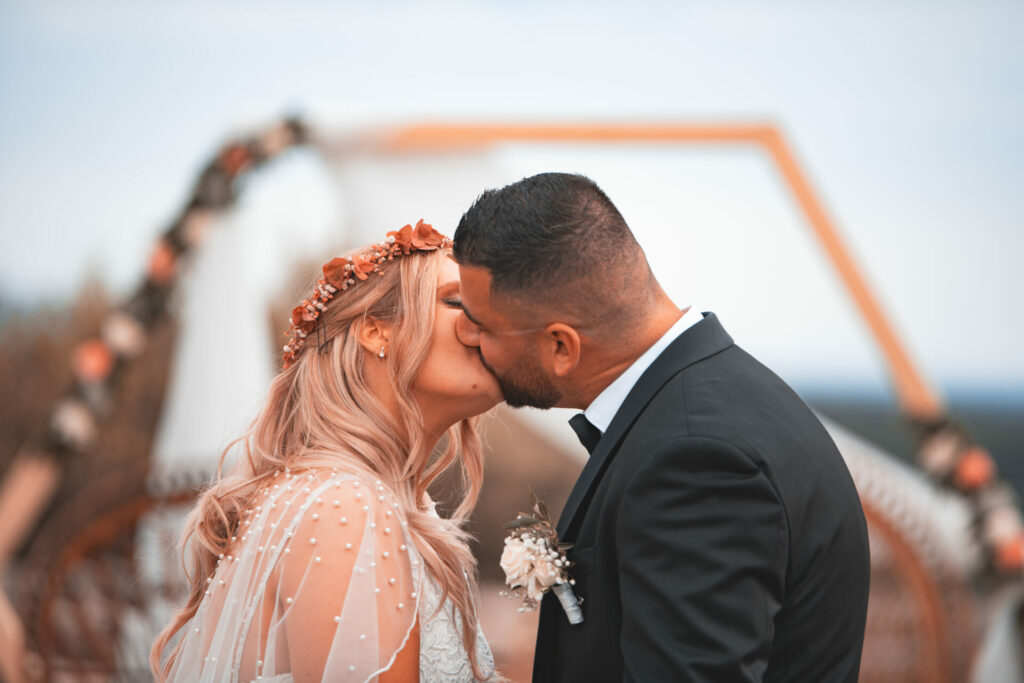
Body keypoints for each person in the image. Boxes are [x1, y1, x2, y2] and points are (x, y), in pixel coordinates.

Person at [452, 173, 871, 682]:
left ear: (561, 347)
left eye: (481, 324)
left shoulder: (697, 459)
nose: (466, 335)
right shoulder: (713, 401)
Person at [150, 221, 500, 682]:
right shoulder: (344, 508)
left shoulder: (380, 501)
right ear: (376, 332)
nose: (488, 325)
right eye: (456, 302)